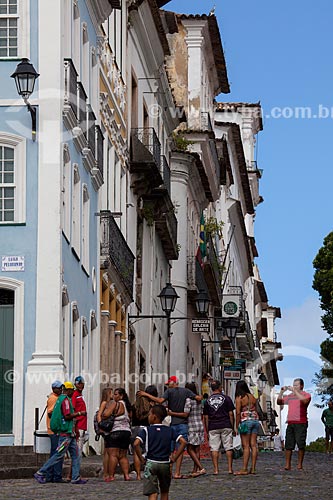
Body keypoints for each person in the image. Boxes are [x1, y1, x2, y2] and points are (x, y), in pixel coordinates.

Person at [138, 376, 203, 479]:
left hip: (173, 423)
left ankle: (170, 471)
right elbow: (199, 398)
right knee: (180, 449)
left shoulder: (169, 392)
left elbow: (160, 401)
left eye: (169, 384)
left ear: (174, 382)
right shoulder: (186, 391)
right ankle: (177, 472)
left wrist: (146, 394)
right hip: (183, 424)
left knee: (171, 449)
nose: (168, 386)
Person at [33, 381, 87, 485]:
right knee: (58, 455)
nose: (73, 392)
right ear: (69, 390)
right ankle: (41, 472)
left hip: (69, 434)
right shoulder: (65, 400)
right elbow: (67, 416)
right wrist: (80, 413)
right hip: (65, 434)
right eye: (72, 390)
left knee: (76, 455)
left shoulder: (60, 399)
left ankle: (75, 477)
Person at [134, 404, 187, 500]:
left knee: (152, 492)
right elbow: (183, 442)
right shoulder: (169, 430)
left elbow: (136, 444)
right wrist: (174, 457)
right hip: (165, 463)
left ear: (154, 416)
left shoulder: (146, 430)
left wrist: (141, 458)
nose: (148, 416)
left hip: (151, 462)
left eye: (149, 414)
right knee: (165, 491)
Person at [277, 378, 311, 471]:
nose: (294, 386)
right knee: (289, 444)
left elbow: (305, 402)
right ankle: (288, 464)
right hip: (290, 422)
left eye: (296, 385)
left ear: (301, 386)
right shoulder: (290, 396)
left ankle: (300, 464)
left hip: (301, 422)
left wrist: (295, 392)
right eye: (294, 385)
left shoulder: (306, 395)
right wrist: (281, 392)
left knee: (301, 443)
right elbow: (279, 402)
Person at [203, 379, 235, 475]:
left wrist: (207, 428)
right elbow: (231, 414)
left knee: (214, 448)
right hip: (225, 424)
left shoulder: (207, 401)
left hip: (213, 426)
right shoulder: (227, 399)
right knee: (228, 447)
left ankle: (216, 469)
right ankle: (229, 468)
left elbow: (206, 417)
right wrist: (232, 426)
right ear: (220, 387)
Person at [101, 387, 132, 481]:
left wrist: (103, 414)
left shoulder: (116, 404)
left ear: (121, 396)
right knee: (123, 455)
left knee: (113, 454)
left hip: (116, 431)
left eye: (116, 394)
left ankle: (111, 476)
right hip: (126, 431)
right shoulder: (127, 405)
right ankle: (126, 475)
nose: (114, 396)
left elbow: (106, 414)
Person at [131, 385, 158, 480]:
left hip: (134, 429)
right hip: (146, 429)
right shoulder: (150, 407)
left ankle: (138, 475)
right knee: (148, 451)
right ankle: (148, 472)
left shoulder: (135, 405)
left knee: (136, 452)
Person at [234, 379, 260, 475]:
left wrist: (236, 426)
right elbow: (256, 409)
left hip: (245, 421)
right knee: (253, 445)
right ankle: (253, 468)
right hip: (255, 421)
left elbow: (237, 412)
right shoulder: (252, 396)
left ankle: (244, 468)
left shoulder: (239, 398)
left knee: (246, 446)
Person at [184, 382, 206, 477]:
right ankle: (195, 469)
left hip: (191, 425)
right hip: (199, 424)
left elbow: (186, 413)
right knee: (197, 449)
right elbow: (201, 412)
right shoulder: (199, 400)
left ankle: (201, 468)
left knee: (189, 449)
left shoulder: (188, 400)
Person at [45, 380, 63, 483]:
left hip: (54, 429)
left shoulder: (56, 398)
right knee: (57, 453)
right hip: (54, 430)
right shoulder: (53, 399)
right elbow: (51, 413)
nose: (60, 390)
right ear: (54, 389)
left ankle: (51, 475)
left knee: (55, 453)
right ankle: (55, 475)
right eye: (59, 388)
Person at [96, 387, 113, 480]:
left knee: (108, 451)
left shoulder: (110, 403)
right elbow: (99, 414)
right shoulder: (104, 403)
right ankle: (106, 473)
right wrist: (100, 425)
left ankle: (107, 472)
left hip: (108, 429)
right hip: (105, 429)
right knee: (107, 452)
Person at [72, 375, 88, 456]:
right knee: (78, 446)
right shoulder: (75, 395)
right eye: (79, 384)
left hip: (82, 424)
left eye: (82, 384)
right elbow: (73, 409)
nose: (81, 385)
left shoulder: (80, 395)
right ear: (75, 384)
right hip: (79, 424)